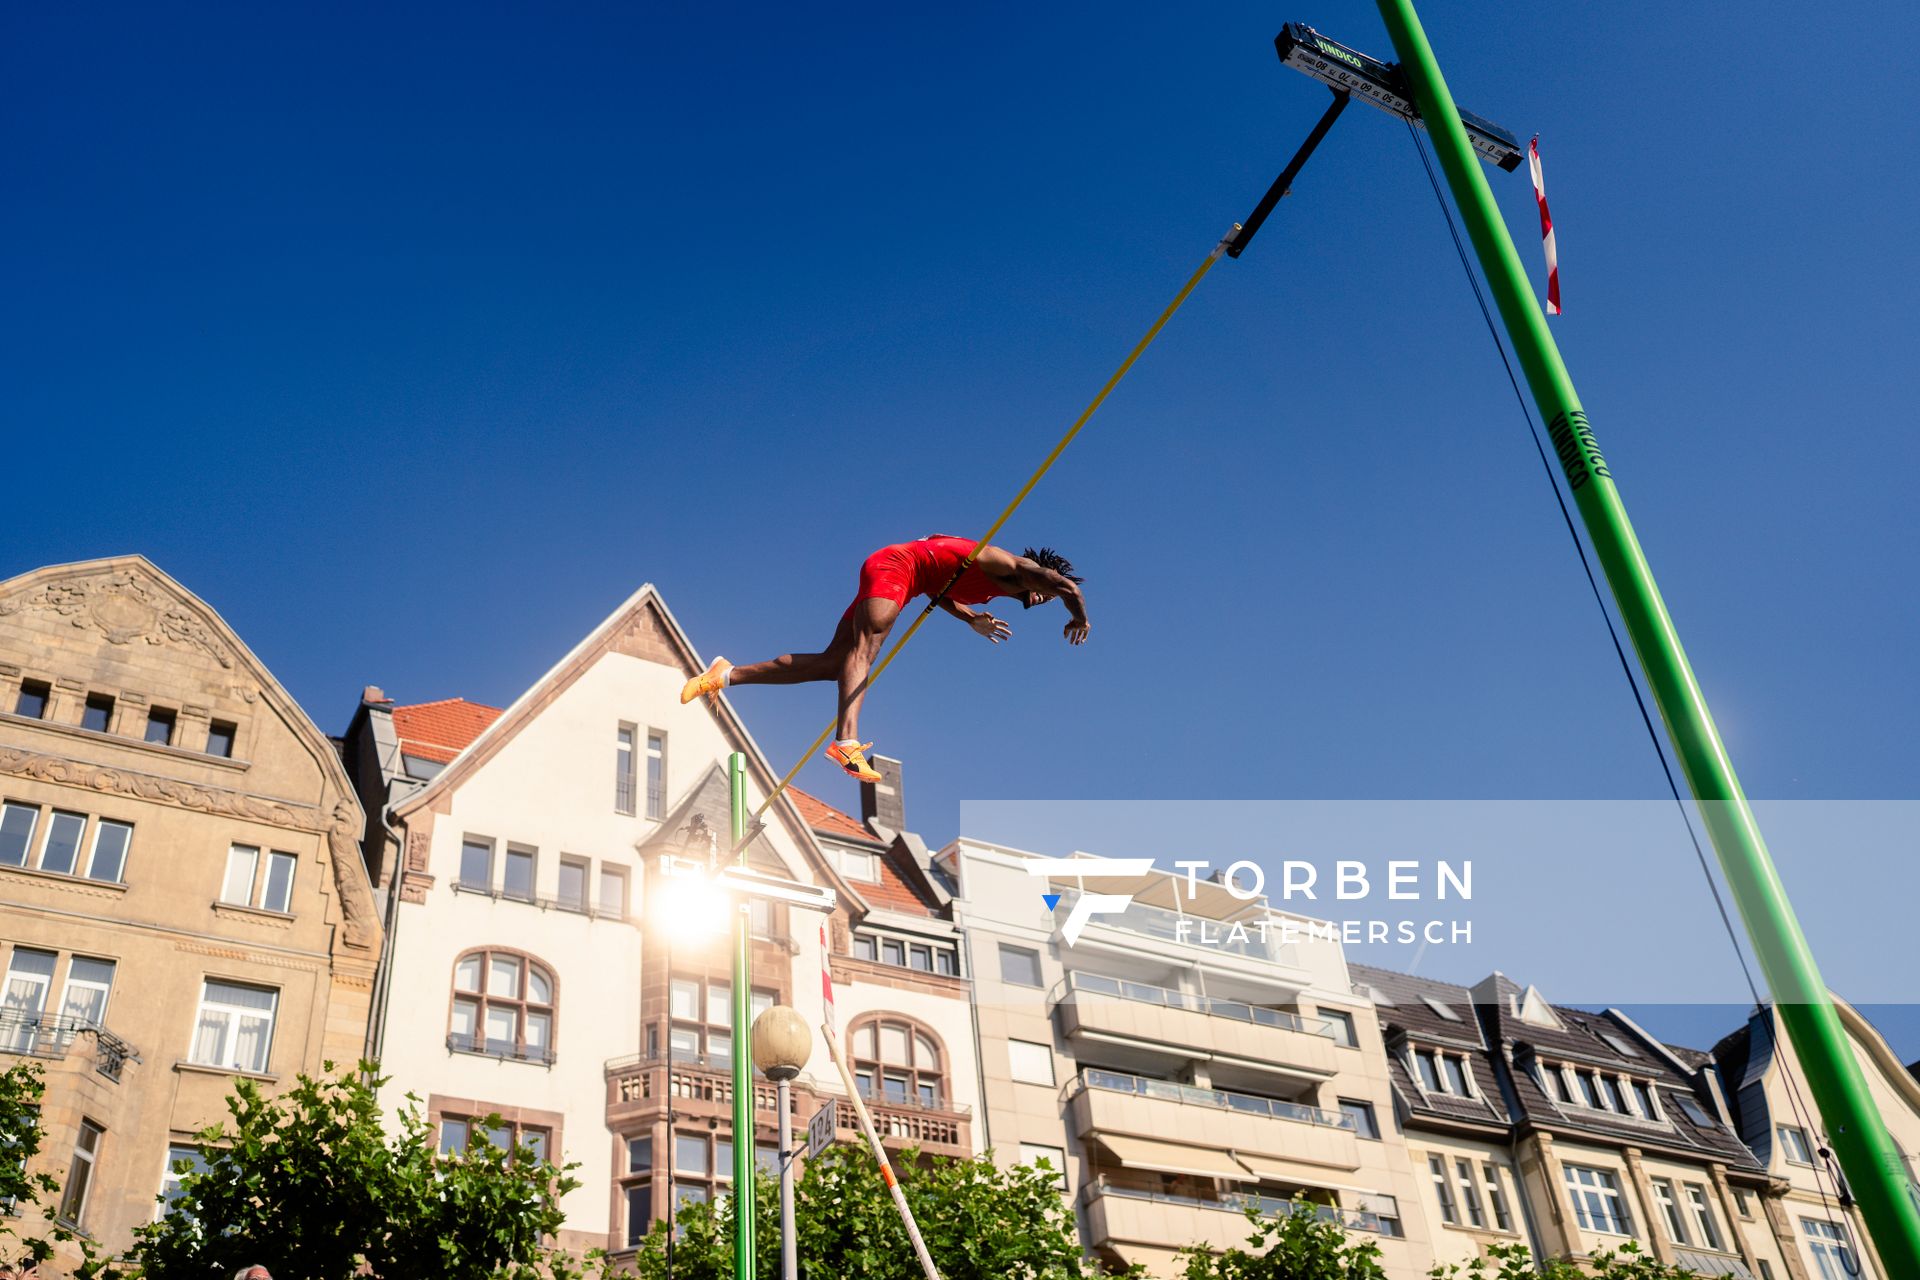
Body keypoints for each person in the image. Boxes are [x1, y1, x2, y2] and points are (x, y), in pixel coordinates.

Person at [682, 536, 1088, 781]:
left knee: (834, 664)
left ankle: (726, 674)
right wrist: (1079, 618)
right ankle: (846, 743)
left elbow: (940, 587)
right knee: (865, 650)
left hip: (904, 577)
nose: (1043, 600)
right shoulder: (1016, 567)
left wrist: (970, 620)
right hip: (898, 567)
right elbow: (1068, 588)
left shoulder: (994, 587)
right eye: (1046, 594)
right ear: (1040, 577)